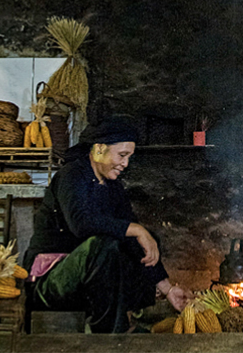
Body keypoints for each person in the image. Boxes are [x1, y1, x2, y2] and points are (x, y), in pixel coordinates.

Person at [24, 117, 192, 333]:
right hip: (50, 281)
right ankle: (108, 336)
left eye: (129, 157)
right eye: (122, 155)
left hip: (89, 280)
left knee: (144, 241)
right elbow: (81, 224)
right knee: (103, 246)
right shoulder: (72, 175)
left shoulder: (113, 187)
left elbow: (134, 238)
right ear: (100, 149)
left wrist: (168, 289)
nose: (125, 164)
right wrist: (136, 229)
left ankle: (127, 322)